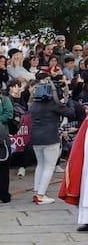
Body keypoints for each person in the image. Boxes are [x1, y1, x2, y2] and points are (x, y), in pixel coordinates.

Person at [28, 73, 79, 204]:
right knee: (49, 167)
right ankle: (41, 195)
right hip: (50, 138)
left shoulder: (33, 105)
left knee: (40, 165)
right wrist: (69, 100)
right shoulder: (52, 105)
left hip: (35, 139)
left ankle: (36, 191)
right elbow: (71, 112)